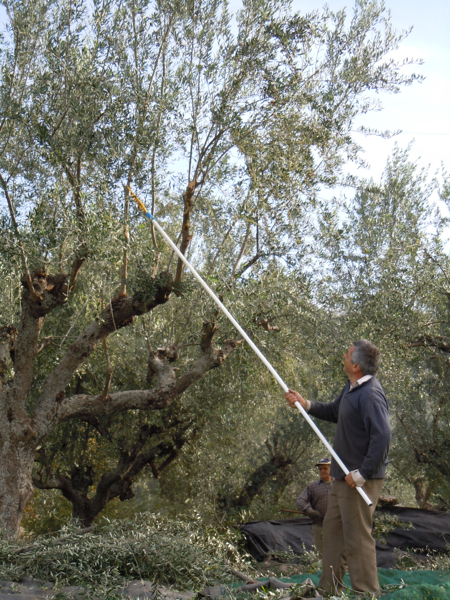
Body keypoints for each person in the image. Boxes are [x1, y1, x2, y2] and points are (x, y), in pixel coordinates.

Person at [285, 339, 391, 595]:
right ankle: (329, 590)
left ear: (355, 365)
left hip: (359, 480)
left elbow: (383, 437)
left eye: (347, 354)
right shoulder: (352, 388)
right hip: (342, 478)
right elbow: (335, 411)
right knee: (332, 536)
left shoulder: (370, 394)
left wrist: (363, 473)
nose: (343, 356)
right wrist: (305, 404)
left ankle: (366, 593)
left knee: (357, 539)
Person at [296, 457, 334, 556]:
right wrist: (309, 510)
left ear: (331, 468)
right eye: (320, 469)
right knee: (319, 555)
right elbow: (300, 501)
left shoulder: (339, 485)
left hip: (338, 526)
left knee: (338, 555)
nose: (322, 471)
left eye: (325, 468)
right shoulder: (313, 487)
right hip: (319, 526)